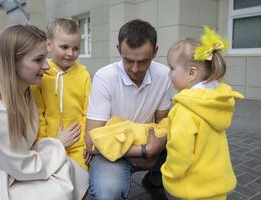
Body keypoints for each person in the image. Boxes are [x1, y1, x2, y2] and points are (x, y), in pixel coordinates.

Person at [0, 24, 87, 200]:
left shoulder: (26, 94)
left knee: (69, 168)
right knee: (60, 187)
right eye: (38, 60)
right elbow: (23, 166)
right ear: (12, 63)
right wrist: (58, 144)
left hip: (9, 172)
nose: (47, 66)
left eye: (45, 58)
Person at [84, 19, 172, 200]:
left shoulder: (164, 75)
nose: (135, 68)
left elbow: (164, 121)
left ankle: (155, 182)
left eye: (143, 61)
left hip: (149, 143)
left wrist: (157, 146)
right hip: (111, 151)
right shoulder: (105, 77)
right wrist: (144, 150)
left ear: (155, 52)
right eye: (128, 60)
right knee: (108, 192)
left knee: (194, 141)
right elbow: (92, 142)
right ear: (118, 50)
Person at [161, 26, 243, 200]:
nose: (169, 74)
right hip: (217, 186)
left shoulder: (185, 108)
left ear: (191, 73)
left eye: (172, 68)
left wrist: (169, 172)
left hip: (192, 188)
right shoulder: (216, 101)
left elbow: (180, 151)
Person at [31, 18, 91, 173]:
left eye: (76, 48)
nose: (71, 53)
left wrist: (87, 142)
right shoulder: (40, 74)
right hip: (51, 143)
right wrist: (45, 143)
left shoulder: (84, 75)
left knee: (81, 180)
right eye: (64, 47)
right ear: (49, 45)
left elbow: (88, 112)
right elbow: (38, 114)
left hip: (79, 145)